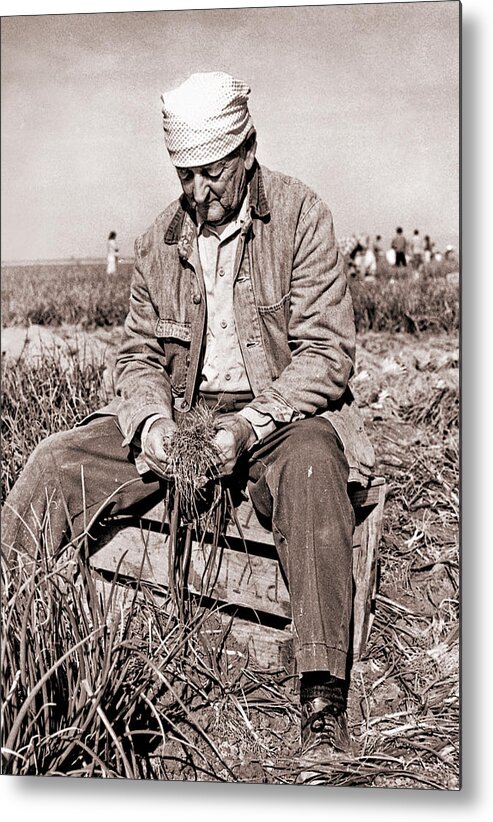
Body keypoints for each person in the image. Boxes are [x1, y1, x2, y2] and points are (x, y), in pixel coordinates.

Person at [2, 72, 375, 777]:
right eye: (184, 175)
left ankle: (322, 700)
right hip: (182, 412)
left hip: (277, 413)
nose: (197, 192)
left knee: (312, 465)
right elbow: (139, 356)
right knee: (55, 462)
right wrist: (150, 428)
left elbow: (327, 354)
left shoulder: (298, 216)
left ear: (246, 153)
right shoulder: (158, 239)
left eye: (210, 174)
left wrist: (249, 426)